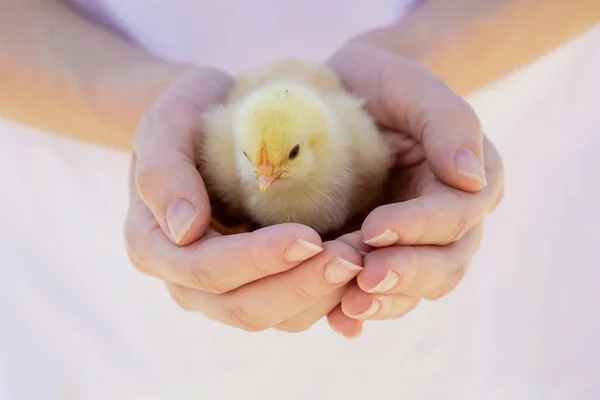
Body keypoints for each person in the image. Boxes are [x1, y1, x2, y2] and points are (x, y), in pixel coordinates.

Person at [0, 0, 597, 398]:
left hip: (505, 109)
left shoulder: (348, 142)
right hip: (75, 174)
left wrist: (418, 63)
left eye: (279, 164)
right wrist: (148, 109)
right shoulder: (236, 146)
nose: (262, 179)